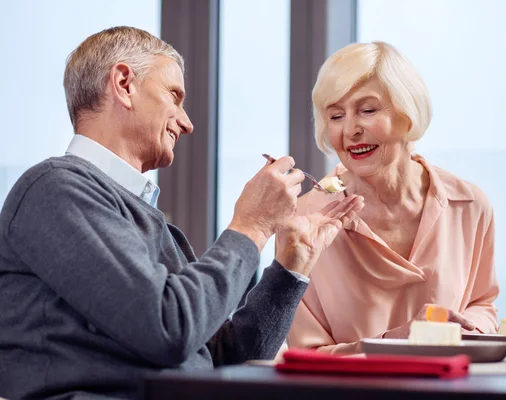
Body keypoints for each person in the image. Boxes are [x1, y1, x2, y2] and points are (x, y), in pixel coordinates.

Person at [0, 27, 363, 399]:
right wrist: (251, 225)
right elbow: (167, 328)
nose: (187, 123)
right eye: (174, 96)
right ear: (124, 84)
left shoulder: (150, 222)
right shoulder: (54, 189)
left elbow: (224, 362)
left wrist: (291, 266)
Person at [286, 41, 499, 354]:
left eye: (368, 110)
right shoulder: (303, 223)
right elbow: (307, 356)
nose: (350, 131)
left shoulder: (469, 205)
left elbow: (483, 304)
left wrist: (462, 330)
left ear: (408, 112)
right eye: (335, 116)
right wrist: (395, 344)